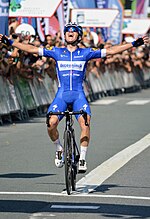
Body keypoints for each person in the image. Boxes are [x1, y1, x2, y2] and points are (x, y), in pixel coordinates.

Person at [0, 22, 148, 173]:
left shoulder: (86, 53)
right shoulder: (56, 51)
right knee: (51, 123)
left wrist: (135, 43)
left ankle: (82, 158)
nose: (70, 32)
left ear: (78, 35)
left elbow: (110, 51)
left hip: (78, 96)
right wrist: (10, 42)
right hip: (62, 95)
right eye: (67, 31)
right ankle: (59, 148)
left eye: (73, 31)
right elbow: (31, 49)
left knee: (85, 123)